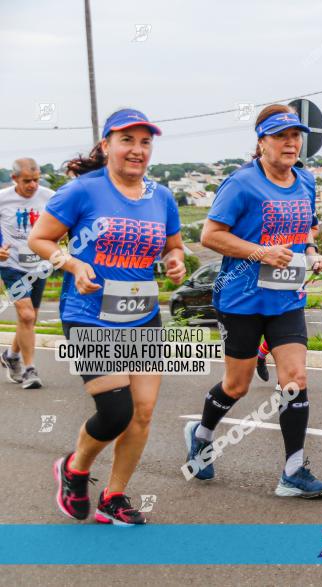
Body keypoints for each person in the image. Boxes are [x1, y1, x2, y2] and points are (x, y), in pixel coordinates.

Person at [29, 108, 186, 525]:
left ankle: (113, 497)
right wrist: (73, 265)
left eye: (145, 142)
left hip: (142, 313)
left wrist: (174, 261)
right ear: (106, 146)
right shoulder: (83, 191)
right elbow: (40, 239)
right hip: (90, 314)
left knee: (143, 412)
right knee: (116, 412)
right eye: (127, 140)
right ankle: (75, 468)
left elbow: (174, 245)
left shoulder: (161, 196)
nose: (137, 150)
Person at [183, 104, 322, 498]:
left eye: (296, 136)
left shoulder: (305, 181)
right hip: (242, 299)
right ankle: (201, 434)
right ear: (262, 142)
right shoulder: (241, 183)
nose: (290, 143)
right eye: (281, 136)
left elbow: (307, 229)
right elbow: (211, 236)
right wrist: (261, 252)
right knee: (236, 385)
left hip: (286, 297)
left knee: (295, 380)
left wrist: (313, 252)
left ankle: (293, 472)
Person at [0, 158, 56, 388]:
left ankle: (11, 356)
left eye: (35, 180)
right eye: (26, 181)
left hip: (39, 264)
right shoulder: (3, 198)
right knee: (26, 315)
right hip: (11, 264)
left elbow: (61, 224)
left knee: (29, 318)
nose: (32, 185)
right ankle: (30, 370)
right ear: (14, 179)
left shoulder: (50, 197)